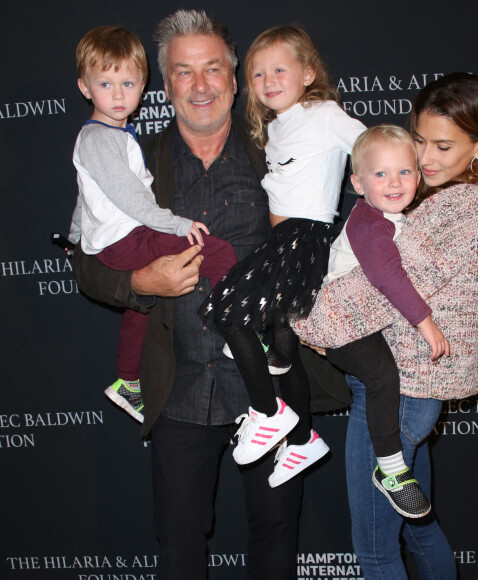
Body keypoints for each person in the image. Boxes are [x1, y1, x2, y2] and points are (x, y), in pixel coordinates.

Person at [72, 10, 319, 579]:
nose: (201, 85)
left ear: (235, 80)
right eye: (184, 72)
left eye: (213, 69)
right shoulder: (131, 160)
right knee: (179, 544)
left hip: (269, 393)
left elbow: (321, 245)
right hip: (178, 388)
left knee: (278, 535)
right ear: (165, 86)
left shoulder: (279, 154)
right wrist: (139, 284)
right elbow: (88, 263)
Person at [293, 72, 478, 579]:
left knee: (374, 550)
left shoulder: (464, 207)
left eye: (443, 145)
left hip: (400, 396)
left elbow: (376, 294)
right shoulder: (429, 201)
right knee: (418, 530)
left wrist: (298, 314)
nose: (426, 158)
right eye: (419, 140)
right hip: (402, 388)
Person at [199, 25, 366, 488]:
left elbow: (371, 147)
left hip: (305, 238)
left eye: (279, 69)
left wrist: (387, 193)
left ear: (308, 73)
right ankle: (304, 439)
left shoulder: (325, 113)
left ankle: (267, 412)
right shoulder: (275, 128)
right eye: (256, 74)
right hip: (283, 243)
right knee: (283, 355)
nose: (268, 80)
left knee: (228, 310)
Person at [69, 25, 238, 423]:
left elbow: (85, 198)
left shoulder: (109, 136)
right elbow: (129, 198)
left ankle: (128, 380)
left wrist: (77, 233)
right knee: (218, 252)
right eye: (105, 83)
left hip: (117, 239)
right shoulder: (101, 140)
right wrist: (177, 225)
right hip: (127, 238)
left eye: (127, 83)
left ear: (143, 87)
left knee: (139, 310)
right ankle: (240, 332)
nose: (116, 94)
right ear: (84, 87)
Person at [322, 124, 449, 519]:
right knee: (381, 376)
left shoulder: (397, 219)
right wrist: (426, 324)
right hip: (340, 324)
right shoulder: (368, 223)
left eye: (404, 172)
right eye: (381, 174)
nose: (394, 183)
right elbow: (388, 278)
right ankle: (391, 469)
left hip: (363, 324)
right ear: (358, 183)